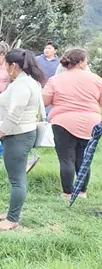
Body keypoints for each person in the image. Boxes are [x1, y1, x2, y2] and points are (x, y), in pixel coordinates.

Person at [0, 49, 44, 230]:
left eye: (6, 64)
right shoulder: (28, 82)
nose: (4, 68)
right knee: (16, 177)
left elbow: (14, 116)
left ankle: (12, 218)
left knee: (17, 178)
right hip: (19, 133)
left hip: (18, 135)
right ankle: (13, 210)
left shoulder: (22, 85)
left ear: (13, 66)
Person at [42, 48, 102, 199]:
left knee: (66, 158)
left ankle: (67, 192)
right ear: (81, 63)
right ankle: (82, 192)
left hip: (63, 122)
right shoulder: (96, 79)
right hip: (91, 122)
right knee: (83, 158)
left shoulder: (55, 80)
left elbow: (44, 101)